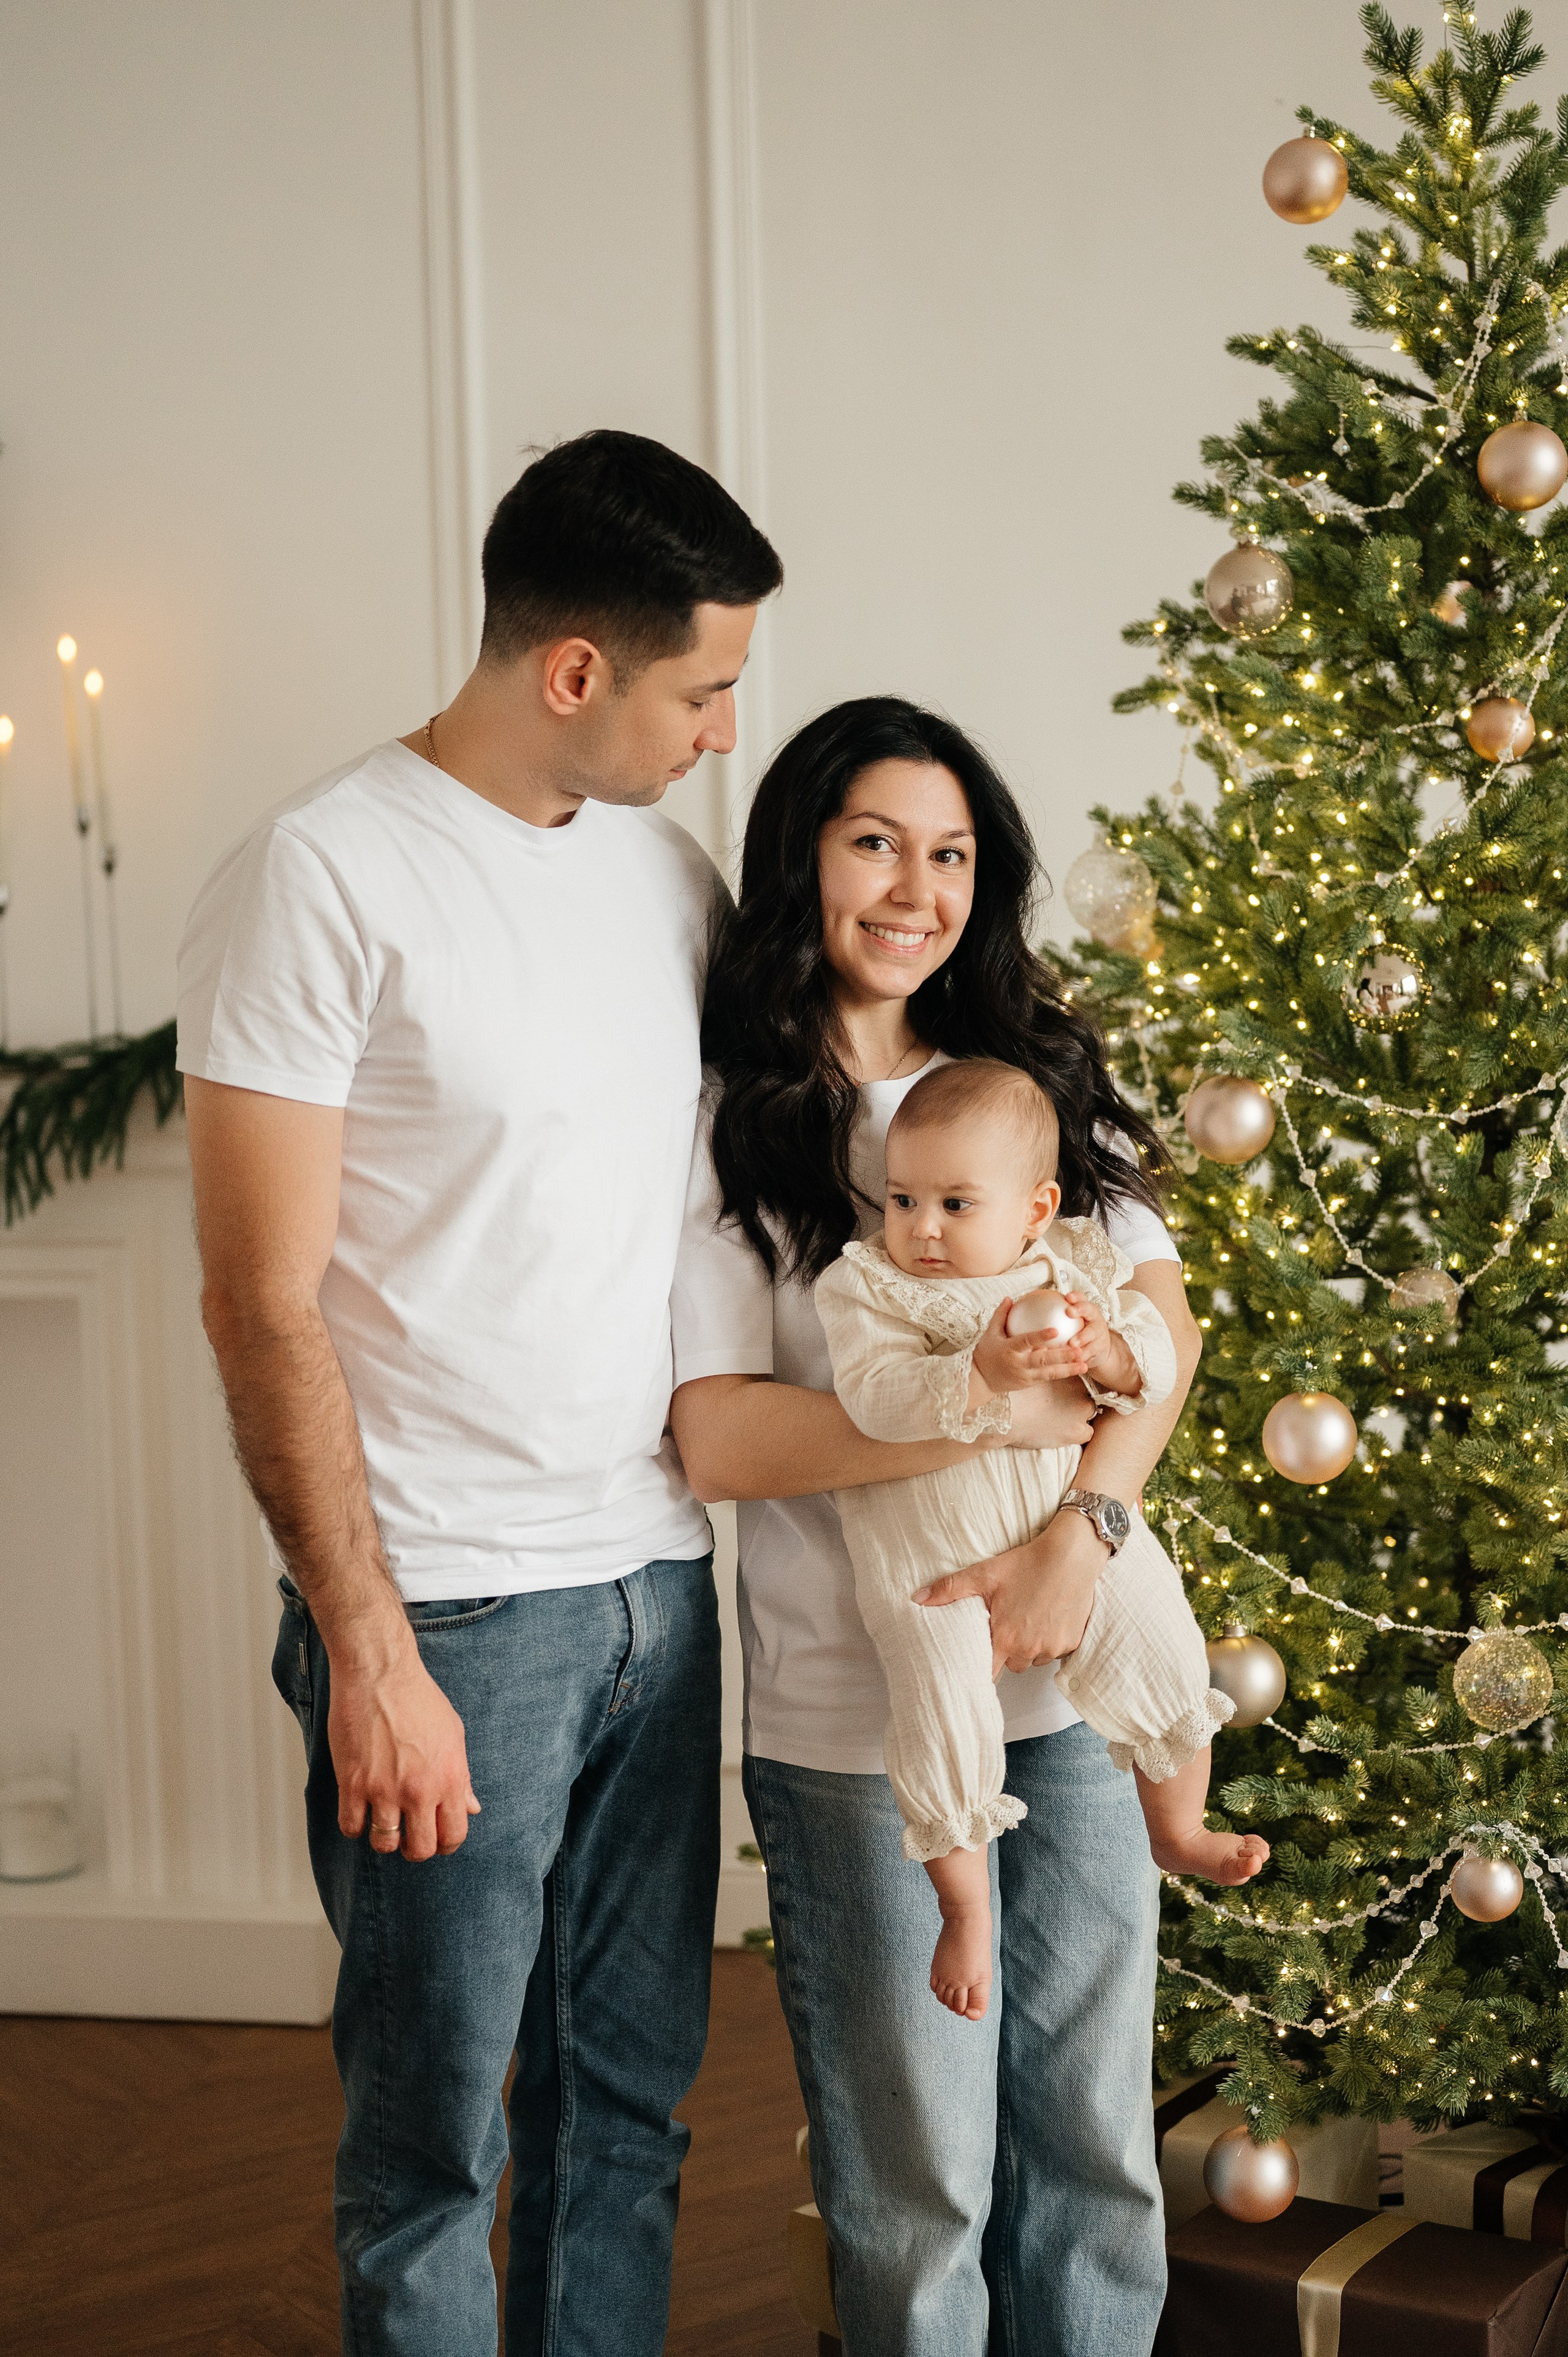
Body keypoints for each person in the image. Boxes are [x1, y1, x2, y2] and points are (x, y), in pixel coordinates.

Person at [176, 429, 782, 2357]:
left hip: (660, 1595)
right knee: (435, 2152)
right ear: (578, 671)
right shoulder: (320, 873)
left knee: (624, 2120)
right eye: (705, 689)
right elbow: (260, 1304)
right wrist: (368, 1648)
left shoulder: (670, 879)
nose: (724, 730)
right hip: (449, 1620)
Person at [668, 696, 1204, 2357]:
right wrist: (975, 1409)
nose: (916, 887)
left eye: (951, 851)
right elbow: (717, 1434)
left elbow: (1160, 1341)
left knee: (1101, 2160)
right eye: (875, 843)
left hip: (1073, 1687)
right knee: (923, 2192)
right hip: (863, 1721)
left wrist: (1083, 1535)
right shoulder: (734, 1116)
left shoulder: (1026, 1086)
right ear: (802, 859)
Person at [816, 1055, 1264, 2023]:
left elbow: (1150, 1356)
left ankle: (1178, 1828)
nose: (921, 1228)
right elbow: (876, 1402)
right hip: (933, 1565)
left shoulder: (1076, 1267)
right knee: (940, 1712)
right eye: (902, 1198)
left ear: (1035, 1207)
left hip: (1072, 1531)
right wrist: (981, 1373)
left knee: (1162, 1641)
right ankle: (964, 1909)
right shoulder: (869, 1290)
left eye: (955, 1204)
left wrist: (1104, 1350)